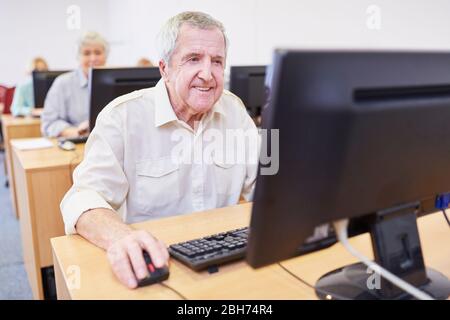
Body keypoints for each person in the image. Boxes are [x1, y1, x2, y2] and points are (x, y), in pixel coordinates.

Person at [60, 11, 259, 289]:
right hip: (155, 265)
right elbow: (81, 199)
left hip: (224, 261)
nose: (208, 74)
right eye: (193, 59)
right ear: (165, 68)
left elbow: (264, 182)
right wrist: (120, 237)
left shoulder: (234, 110)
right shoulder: (122, 118)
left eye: (217, 61)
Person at [41, 31, 108, 138]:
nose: (93, 58)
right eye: (86, 53)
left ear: (105, 56)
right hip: (76, 146)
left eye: (98, 52)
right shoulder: (62, 84)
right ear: (78, 57)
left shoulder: (114, 83)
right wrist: (78, 131)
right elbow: (49, 124)